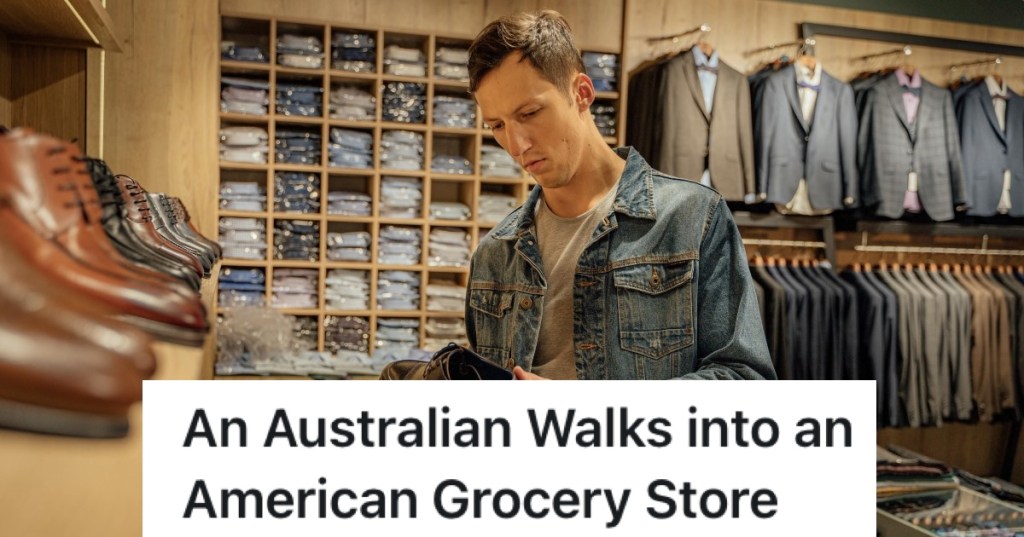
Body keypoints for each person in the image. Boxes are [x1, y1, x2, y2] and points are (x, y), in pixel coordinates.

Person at [465, 10, 776, 380]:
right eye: (497, 126)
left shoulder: (693, 219)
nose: (516, 145)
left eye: (530, 113)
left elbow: (744, 379)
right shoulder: (494, 254)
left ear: (581, 93)